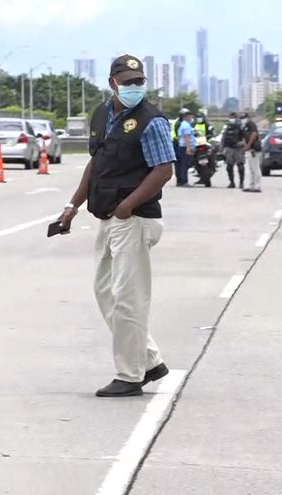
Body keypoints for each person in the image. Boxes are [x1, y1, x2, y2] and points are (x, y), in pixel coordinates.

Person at [56, 54, 175, 398]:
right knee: (105, 291)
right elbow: (96, 164)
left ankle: (130, 375)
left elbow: (163, 170)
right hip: (108, 216)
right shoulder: (102, 115)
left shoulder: (151, 121)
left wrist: (128, 205)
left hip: (134, 219)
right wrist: (72, 205)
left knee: (128, 299)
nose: (135, 87)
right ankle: (149, 360)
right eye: (128, 82)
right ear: (113, 83)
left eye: (140, 81)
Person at [222, 112, 245, 189]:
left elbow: (245, 137)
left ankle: (241, 183)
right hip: (229, 148)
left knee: (240, 166)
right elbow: (223, 138)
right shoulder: (227, 127)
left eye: (233, 118)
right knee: (229, 167)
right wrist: (222, 148)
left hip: (238, 149)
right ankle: (232, 182)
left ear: (236, 118)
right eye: (230, 118)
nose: (231, 119)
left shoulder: (240, 127)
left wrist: (242, 143)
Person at [176, 109, 195, 187]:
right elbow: (187, 137)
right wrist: (188, 148)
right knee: (184, 165)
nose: (191, 117)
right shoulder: (187, 125)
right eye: (190, 116)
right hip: (185, 147)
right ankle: (184, 181)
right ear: (185, 117)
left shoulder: (182, 125)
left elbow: (179, 137)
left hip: (181, 146)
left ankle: (180, 181)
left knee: (181, 165)